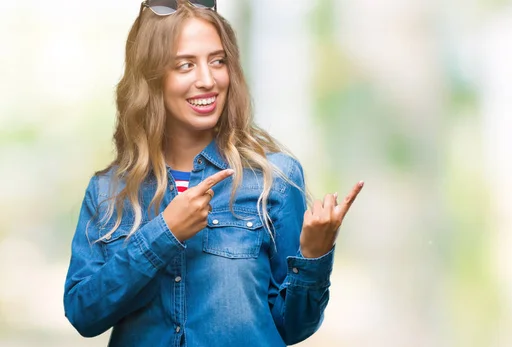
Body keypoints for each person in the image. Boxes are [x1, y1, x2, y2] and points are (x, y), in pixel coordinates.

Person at [63, 1, 363, 346]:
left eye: (217, 61)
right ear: (152, 77)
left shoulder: (274, 178)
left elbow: (292, 328)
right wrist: (165, 232)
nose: (207, 80)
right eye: (185, 65)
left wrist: (314, 257)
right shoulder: (108, 190)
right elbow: (83, 314)